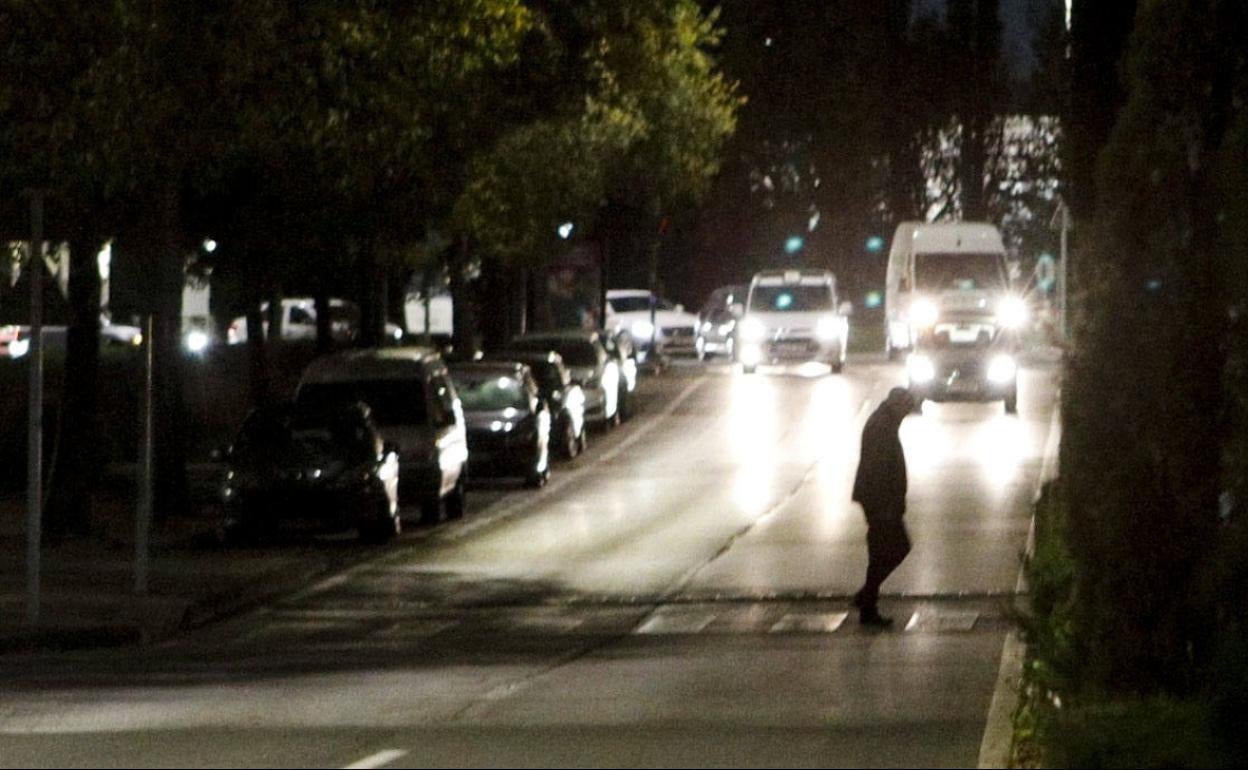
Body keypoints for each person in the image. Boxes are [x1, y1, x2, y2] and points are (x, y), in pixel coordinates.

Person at [851, 387, 916, 627]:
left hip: (879, 499)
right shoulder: (882, 425)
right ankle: (867, 600)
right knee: (894, 548)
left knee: (882, 551)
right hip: (880, 501)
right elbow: (878, 468)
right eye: (906, 408)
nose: (906, 414)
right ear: (896, 403)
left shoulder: (884, 420)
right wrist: (888, 504)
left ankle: (867, 599)